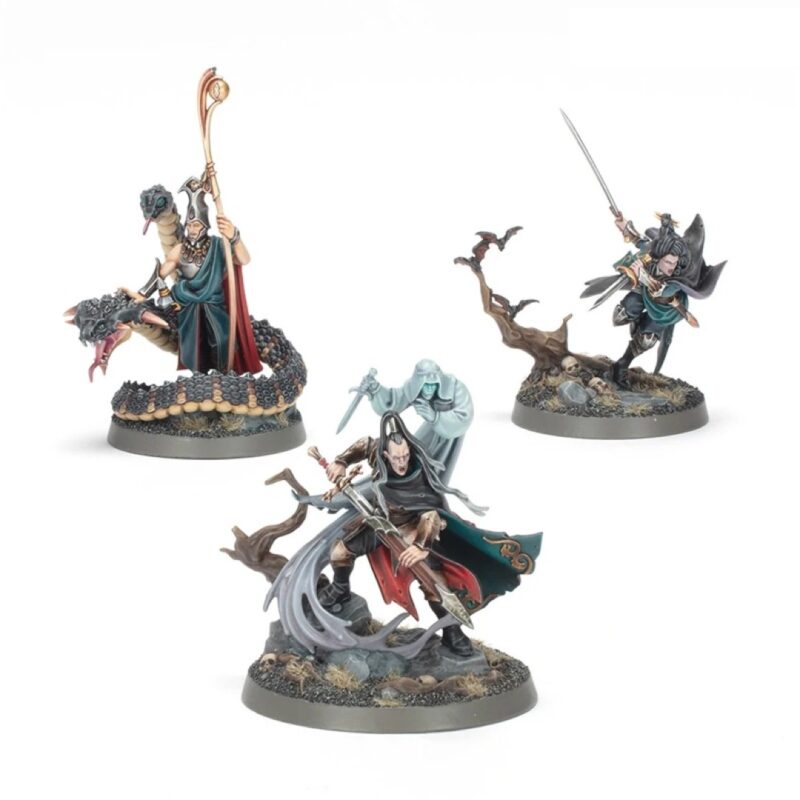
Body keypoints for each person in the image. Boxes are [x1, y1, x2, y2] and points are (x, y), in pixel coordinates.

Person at [318, 412, 541, 657]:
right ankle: (340, 588)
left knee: (432, 580)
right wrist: (340, 461)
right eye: (396, 457)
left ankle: (452, 631)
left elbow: (431, 514)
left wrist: (421, 545)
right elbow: (364, 444)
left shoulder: (419, 476)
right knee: (339, 552)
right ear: (386, 455)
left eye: (405, 456)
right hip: (379, 521)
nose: (402, 462)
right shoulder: (378, 452)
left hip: (413, 527)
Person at [131, 177, 262, 374]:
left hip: (214, 305)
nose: (192, 230)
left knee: (223, 340)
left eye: (197, 225)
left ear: (205, 226)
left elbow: (245, 259)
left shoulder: (219, 246)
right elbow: (162, 272)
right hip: (187, 306)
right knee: (193, 346)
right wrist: (142, 293)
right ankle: (199, 378)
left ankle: (223, 376)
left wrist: (234, 236)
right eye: (190, 225)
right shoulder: (180, 249)